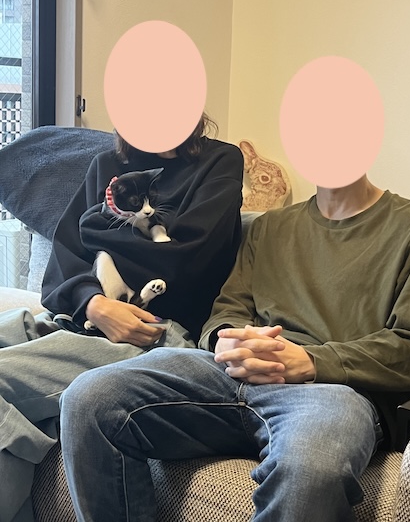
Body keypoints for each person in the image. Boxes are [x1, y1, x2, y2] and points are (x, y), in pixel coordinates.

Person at [60, 175, 410, 522]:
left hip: (332, 391)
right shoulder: (269, 227)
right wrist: (227, 338)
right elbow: (228, 309)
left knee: (311, 468)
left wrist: (312, 361)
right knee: (89, 398)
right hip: (231, 374)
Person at [0, 112, 244, 522]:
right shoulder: (107, 166)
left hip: (156, 332)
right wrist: (93, 303)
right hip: (86, 319)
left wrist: (95, 230)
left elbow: (186, 260)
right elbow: (63, 260)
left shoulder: (220, 161)